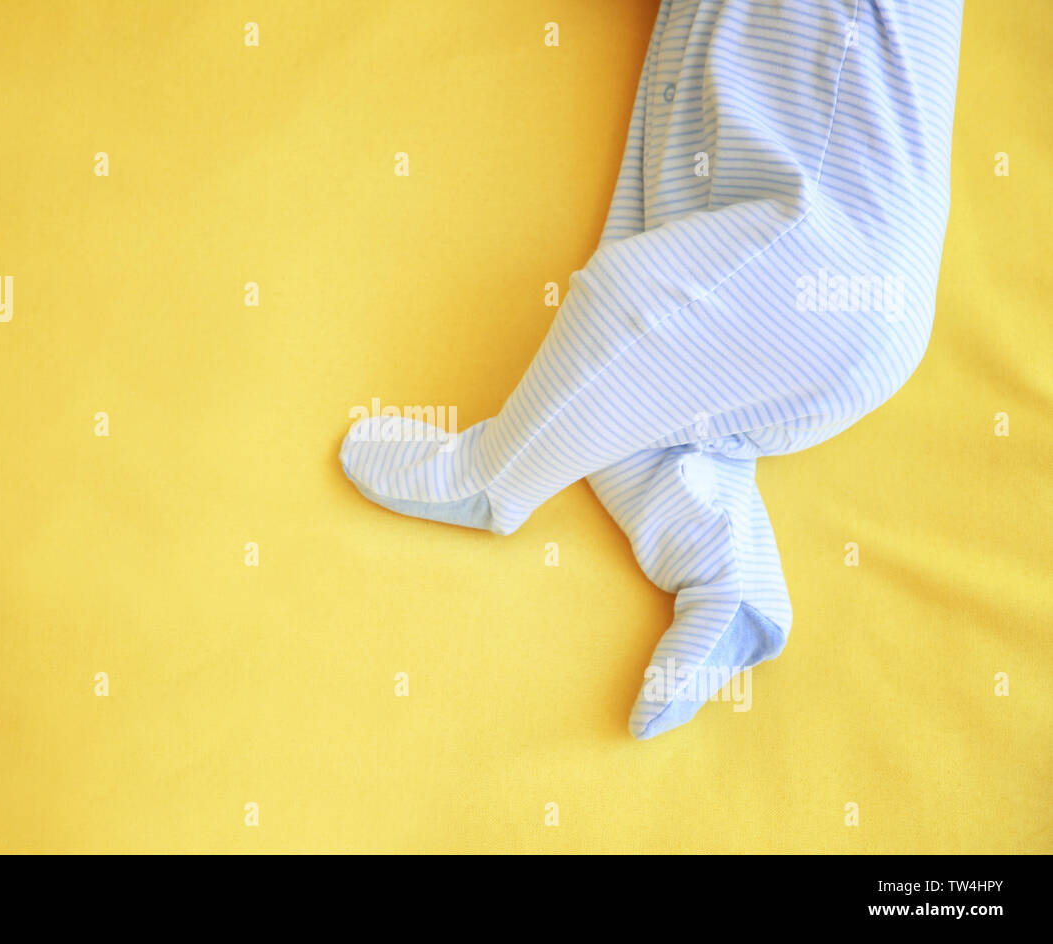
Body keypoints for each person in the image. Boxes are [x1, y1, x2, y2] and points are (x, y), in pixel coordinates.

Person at [339, 0, 964, 739]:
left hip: (830, 256)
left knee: (620, 316)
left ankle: (490, 476)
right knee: (617, 410)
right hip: (733, 211)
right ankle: (730, 580)